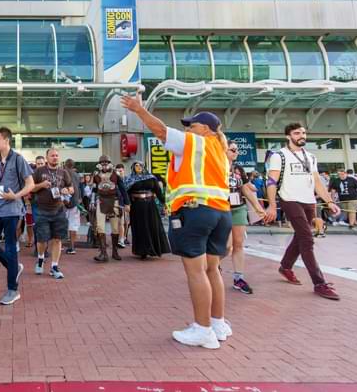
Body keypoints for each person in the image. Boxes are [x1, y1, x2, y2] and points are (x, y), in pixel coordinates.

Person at [123, 94, 233, 350]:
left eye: (192, 125)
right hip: (221, 213)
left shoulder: (195, 142)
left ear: (204, 128)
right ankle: (217, 324)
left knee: (196, 272)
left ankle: (202, 330)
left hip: (195, 212)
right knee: (212, 270)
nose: (188, 129)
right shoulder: (220, 150)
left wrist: (139, 110)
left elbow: (160, 130)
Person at [263, 123, 342, 301]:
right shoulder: (279, 155)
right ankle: (319, 283)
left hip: (309, 201)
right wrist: (272, 205)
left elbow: (317, 182)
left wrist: (329, 201)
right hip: (290, 200)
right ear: (288, 136)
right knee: (307, 238)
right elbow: (271, 182)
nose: (301, 135)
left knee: (300, 237)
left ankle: (285, 266)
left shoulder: (311, 156)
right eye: (297, 133)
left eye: (303, 132)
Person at [0, 126, 34, 305]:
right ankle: (14, 267)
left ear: (7, 140)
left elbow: (30, 184)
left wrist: (16, 196)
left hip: (12, 210)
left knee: (11, 248)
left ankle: (13, 289)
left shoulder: (19, 159)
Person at [225, 141, 265, 295]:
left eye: (237, 150)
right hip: (222, 208)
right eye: (233, 149)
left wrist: (257, 207)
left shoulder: (238, 169)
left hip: (238, 208)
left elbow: (245, 189)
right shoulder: (215, 166)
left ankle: (238, 278)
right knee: (226, 247)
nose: (236, 152)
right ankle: (210, 266)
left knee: (238, 243)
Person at [31, 148, 73, 279]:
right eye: (52, 155)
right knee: (42, 240)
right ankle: (40, 258)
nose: (55, 157)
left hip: (59, 209)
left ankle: (54, 266)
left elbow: (72, 188)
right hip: (41, 210)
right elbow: (30, 187)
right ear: (47, 157)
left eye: (57, 155)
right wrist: (41, 185)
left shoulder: (63, 172)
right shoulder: (39, 171)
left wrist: (67, 190)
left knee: (57, 238)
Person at [124, 161, 170, 260]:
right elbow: (126, 194)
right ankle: (143, 251)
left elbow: (158, 192)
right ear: (133, 167)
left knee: (153, 226)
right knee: (141, 228)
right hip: (137, 206)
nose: (138, 167)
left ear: (143, 167)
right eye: (136, 165)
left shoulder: (151, 178)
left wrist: (165, 203)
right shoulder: (129, 179)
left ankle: (156, 249)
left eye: (140, 165)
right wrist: (127, 204)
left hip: (150, 206)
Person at [91, 155, 128, 262]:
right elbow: (94, 190)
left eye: (106, 162)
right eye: (102, 163)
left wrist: (127, 203)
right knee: (100, 227)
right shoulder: (96, 175)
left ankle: (115, 252)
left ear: (110, 163)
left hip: (114, 201)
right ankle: (103, 253)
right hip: (101, 201)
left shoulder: (116, 175)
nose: (104, 165)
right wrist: (92, 201)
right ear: (99, 164)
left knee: (115, 227)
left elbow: (122, 189)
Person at [63, 159, 82, 255]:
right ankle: (72, 247)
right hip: (75, 202)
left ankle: (60, 244)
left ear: (65, 165)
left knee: (61, 224)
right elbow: (79, 188)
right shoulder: (77, 175)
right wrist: (79, 199)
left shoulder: (62, 173)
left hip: (64, 202)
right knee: (73, 225)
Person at [114, 163, 129, 249]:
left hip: (125, 203)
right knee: (121, 222)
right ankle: (121, 239)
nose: (119, 172)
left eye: (120, 170)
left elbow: (126, 191)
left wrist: (128, 203)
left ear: (123, 170)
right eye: (117, 171)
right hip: (118, 202)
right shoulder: (114, 179)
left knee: (126, 222)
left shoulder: (127, 179)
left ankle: (123, 238)